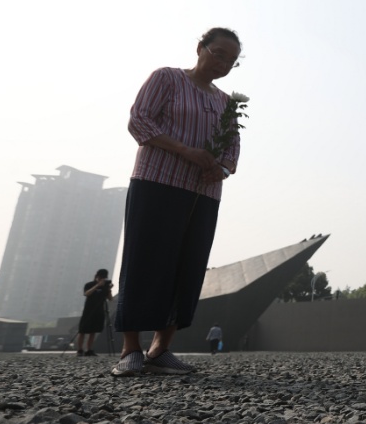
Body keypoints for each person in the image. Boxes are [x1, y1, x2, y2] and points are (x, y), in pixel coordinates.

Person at [112, 27, 242, 377]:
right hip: (157, 181)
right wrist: (186, 150)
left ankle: (161, 349)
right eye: (218, 53)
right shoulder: (167, 78)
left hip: (203, 193)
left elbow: (232, 149)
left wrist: (221, 169)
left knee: (188, 264)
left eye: (231, 60)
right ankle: (130, 348)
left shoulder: (227, 103)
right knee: (144, 259)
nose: (223, 63)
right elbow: (139, 121)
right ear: (200, 48)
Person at [76, 269, 113, 357]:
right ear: (97, 276)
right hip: (88, 311)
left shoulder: (105, 287)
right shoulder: (89, 284)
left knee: (93, 332)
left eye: (104, 278)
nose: (102, 279)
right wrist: (97, 285)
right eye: (101, 277)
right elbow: (87, 293)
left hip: (99, 311)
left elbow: (110, 299)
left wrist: (109, 289)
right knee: (82, 331)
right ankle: (80, 350)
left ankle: (89, 350)